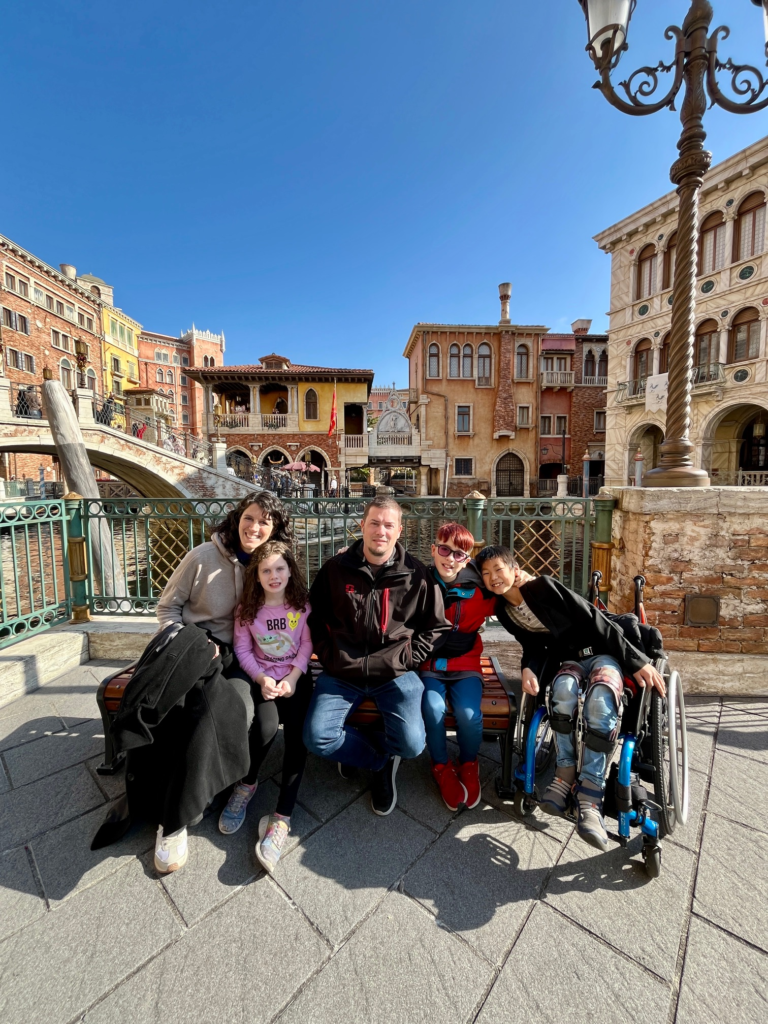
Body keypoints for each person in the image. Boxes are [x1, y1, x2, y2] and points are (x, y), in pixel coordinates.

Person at [476, 545, 665, 852]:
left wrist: (637, 661)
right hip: (569, 662)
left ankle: (590, 792)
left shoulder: (543, 586)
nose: (494, 578)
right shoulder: (504, 612)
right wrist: (528, 669)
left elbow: (594, 618)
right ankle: (564, 777)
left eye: (499, 569)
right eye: (486, 574)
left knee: (600, 698)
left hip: (603, 654)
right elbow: (533, 645)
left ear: (514, 568)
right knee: (561, 694)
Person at [147, 491, 292, 873]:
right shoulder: (201, 557)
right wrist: (189, 641)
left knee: (253, 719)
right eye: (250, 518)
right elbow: (167, 609)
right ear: (237, 517)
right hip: (197, 653)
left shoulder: (268, 565)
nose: (255, 527)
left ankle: (229, 785)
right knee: (194, 715)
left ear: (274, 529)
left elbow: (294, 612)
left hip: (243, 660)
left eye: (265, 522)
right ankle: (174, 818)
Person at [304, 497, 450, 815]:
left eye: (388, 525)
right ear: (362, 526)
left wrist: (408, 659)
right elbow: (313, 617)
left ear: (399, 530)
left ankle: (364, 753)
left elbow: (437, 627)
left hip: (396, 673)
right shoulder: (335, 569)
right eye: (374, 523)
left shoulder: (416, 575)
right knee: (316, 738)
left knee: (413, 745)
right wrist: (329, 655)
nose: (380, 531)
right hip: (342, 671)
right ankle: (377, 761)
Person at [219, 541, 313, 872]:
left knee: (298, 739)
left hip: (295, 678)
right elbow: (243, 650)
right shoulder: (248, 610)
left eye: (280, 569)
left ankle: (281, 818)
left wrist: (294, 677)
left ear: (290, 571)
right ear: (256, 576)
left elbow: (305, 644)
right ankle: (247, 783)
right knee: (265, 728)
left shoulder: (300, 605)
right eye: (266, 570)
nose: (274, 576)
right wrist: (261, 679)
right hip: (265, 680)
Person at [420, 522, 497, 811]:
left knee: (468, 714)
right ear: (433, 549)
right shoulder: (421, 581)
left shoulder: (481, 589)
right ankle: (440, 766)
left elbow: (512, 598)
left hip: (465, 662)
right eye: (444, 549)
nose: (450, 558)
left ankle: (468, 762)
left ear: (468, 558)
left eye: (459, 554)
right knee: (432, 707)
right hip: (429, 661)